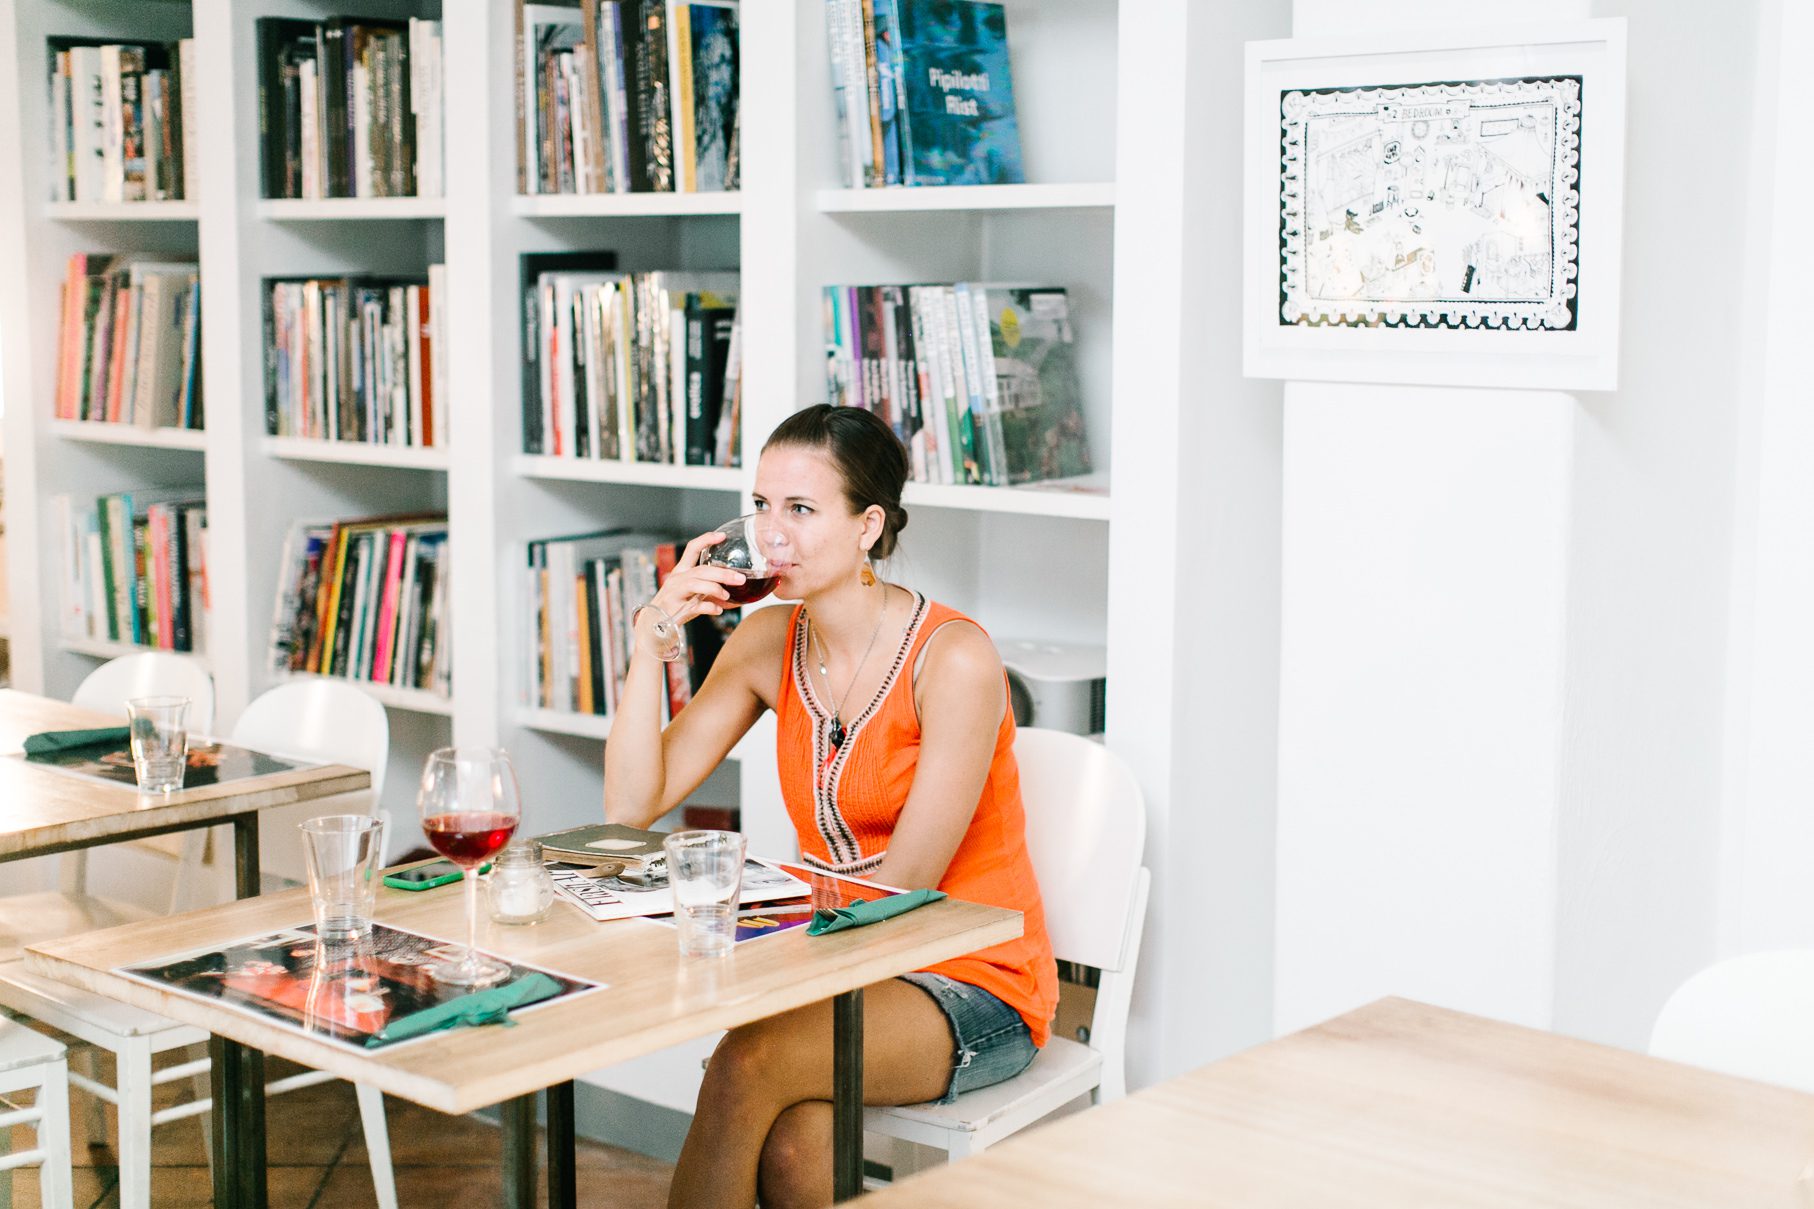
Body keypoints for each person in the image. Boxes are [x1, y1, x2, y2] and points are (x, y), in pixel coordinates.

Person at [603, 404, 1058, 1208]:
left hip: (973, 981)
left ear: (867, 526)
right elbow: (633, 802)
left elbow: (905, 886)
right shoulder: (766, 643)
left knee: (748, 1060)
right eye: (763, 506)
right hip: (845, 965)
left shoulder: (954, 658)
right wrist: (651, 637)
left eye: (803, 510)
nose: (772, 535)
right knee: (795, 1138)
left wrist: (763, 939)